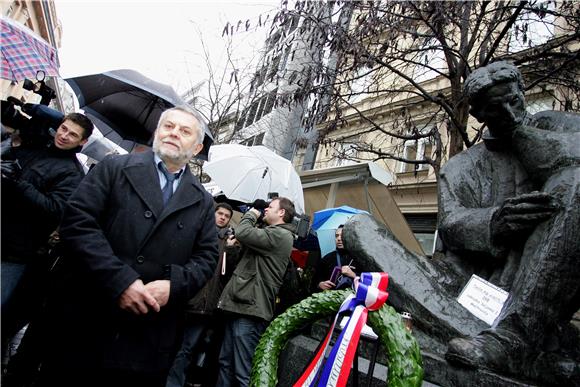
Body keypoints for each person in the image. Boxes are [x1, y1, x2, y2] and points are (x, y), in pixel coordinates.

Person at [344, 61, 579, 381]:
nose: (510, 114)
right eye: (497, 110)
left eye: (514, 101)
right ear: (480, 117)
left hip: (527, 293)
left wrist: (520, 134)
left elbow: (570, 163)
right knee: (359, 229)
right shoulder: (460, 168)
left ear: (523, 95)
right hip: (458, 286)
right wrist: (494, 223)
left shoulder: (558, 127)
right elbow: (452, 225)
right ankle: (511, 341)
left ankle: (515, 337)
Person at [35, 106, 219, 387]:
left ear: (196, 147)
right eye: (168, 126)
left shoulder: (203, 201)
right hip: (86, 318)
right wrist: (121, 281)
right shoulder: (114, 168)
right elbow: (78, 222)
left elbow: (207, 257)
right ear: (157, 133)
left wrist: (173, 285)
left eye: (184, 131)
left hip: (146, 338)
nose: (173, 133)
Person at [1, 112, 94, 352]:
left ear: (82, 142)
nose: (64, 136)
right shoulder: (39, 147)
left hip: (16, 252)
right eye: (63, 129)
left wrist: (19, 184)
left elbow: (56, 209)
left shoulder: (73, 174)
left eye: (73, 134)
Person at [216, 197, 296, 387]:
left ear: (282, 213)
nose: (266, 210)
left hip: (251, 310)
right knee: (225, 363)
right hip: (241, 305)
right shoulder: (269, 233)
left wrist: (252, 213)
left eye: (270, 207)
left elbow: (243, 231)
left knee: (243, 372)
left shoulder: (281, 236)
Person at [166, 202, 240, 387]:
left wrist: (231, 250)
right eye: (220, 213)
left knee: (188, 349)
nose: (222, 217)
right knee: (170, 345)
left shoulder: (229, 242)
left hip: (206, 306)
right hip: (186, 299)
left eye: (226, 216)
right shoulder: (201, 233)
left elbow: (227, 274)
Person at [312, 225, 359, 292]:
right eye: (337, 236)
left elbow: (370, 283)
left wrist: (353, 275)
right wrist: (320, 284)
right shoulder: (327, 258)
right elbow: (314, 281)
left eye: (342, 235)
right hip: (332, 299)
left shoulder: (359, 258)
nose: (339, 239)